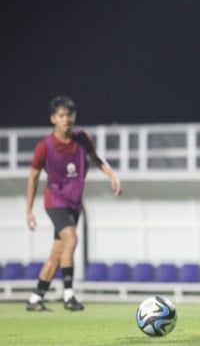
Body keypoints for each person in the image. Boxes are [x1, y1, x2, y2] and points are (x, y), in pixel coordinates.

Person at [25, 96, 122, 312]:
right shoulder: (45, 147)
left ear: (74, 117)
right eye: (61, 115)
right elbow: (32, 178)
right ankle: (69, 295)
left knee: (58, 252)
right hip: (55, 200)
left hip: (74, 203)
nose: (66, 119)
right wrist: (29, 211)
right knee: (72, 238)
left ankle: (35, 298)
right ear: (53, 119)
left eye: (69, 115)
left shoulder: (82, 138)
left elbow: (95, 158)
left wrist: (112, 176)